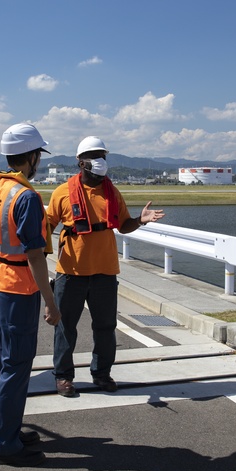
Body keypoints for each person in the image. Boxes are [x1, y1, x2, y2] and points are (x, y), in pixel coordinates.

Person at [48, 136, 164, 397]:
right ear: (81, 162)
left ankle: (101, 373)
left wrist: (140, 220)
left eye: (103, 156)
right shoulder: (62, 193)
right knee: (65, 327)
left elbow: (123, 225)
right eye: (94, 156)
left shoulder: (111, 191)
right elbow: (47, 226)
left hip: (105, 272)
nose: (100, 161)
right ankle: (63, 376)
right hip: (71, 272)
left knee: (105, 326)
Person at [0, 123, 61, 467]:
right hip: (19, 286)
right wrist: (50, 301)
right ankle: (5, 445)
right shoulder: (25, 196)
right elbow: (34, 253)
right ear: (32, 157)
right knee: (16, 366)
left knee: (4, 364)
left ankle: (6, 431)